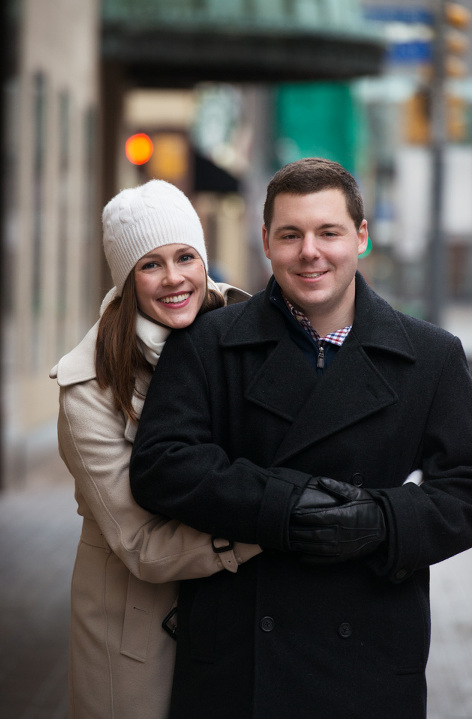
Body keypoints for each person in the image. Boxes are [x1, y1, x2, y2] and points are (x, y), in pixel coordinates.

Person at [130, 158, 472, 719]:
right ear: (266, 241)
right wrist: (281, 506)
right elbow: (162, 465)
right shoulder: (207, 343)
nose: (309, 252)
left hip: (369, 658)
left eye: (328, 232)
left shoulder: (430, 355)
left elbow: (465, 487)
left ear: (360, 238)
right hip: (240, 662)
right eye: (291, 235)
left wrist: (383, 521)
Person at [49, 179, 260, 719]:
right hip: (133, 622)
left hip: (228, 608)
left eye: (186, 256)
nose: (174, 279)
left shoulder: (248, 333)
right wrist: (272, 530)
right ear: (127, 279)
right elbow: (139, 543)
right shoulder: (87, 390)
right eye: (150, 264)